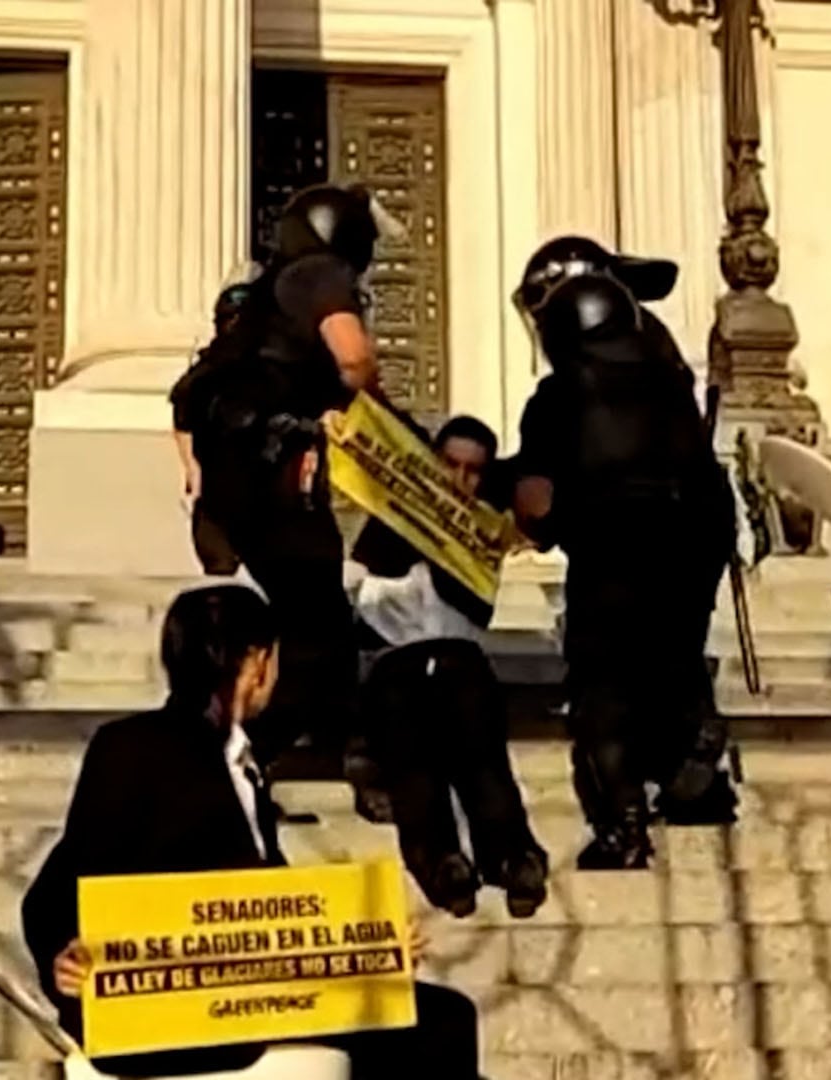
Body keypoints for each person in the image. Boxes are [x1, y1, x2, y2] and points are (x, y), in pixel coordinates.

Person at [21, 584, 482, 1079]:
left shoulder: (239, 763)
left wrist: (371, 951)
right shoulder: (132, 749)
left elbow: (270, 909)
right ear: (259, 663)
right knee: (441, 1024)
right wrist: (62, 957)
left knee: (425, 1019)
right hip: (182, 1020)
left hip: (254, 999)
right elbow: (54, 895)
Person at [508, 236, 739, 870]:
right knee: (674, 657)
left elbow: (536, 505)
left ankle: (623, 826)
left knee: (603, 686)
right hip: (697, 533)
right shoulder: (670, 383)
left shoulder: (557, 398)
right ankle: (698, 765)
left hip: (613, 542)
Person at [180, 184, 389, 816]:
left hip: (238, 478)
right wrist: (373, 409)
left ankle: (306, 743)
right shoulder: (320, 274)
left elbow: (189, 399)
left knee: (310, 618)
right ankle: (238, 763)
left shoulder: (262, 301)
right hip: (278, 474)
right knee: (317, 623)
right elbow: (353, 357)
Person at [348, 415, 549, 919]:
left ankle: (514, 858)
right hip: (395, 662)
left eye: (472, 471)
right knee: (415, 766)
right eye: (448, 465)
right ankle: (443, 865)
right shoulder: (390, 519)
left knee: (483, 757)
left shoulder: (484, 524)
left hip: (460, 659)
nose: (459, 480)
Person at [171, 280, 256, 575]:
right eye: (232, 320)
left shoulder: (276, 367)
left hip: (266, 492)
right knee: (220, 569)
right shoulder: (206, 372)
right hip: (218, 491)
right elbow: (183, 420)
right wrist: (193, 470)